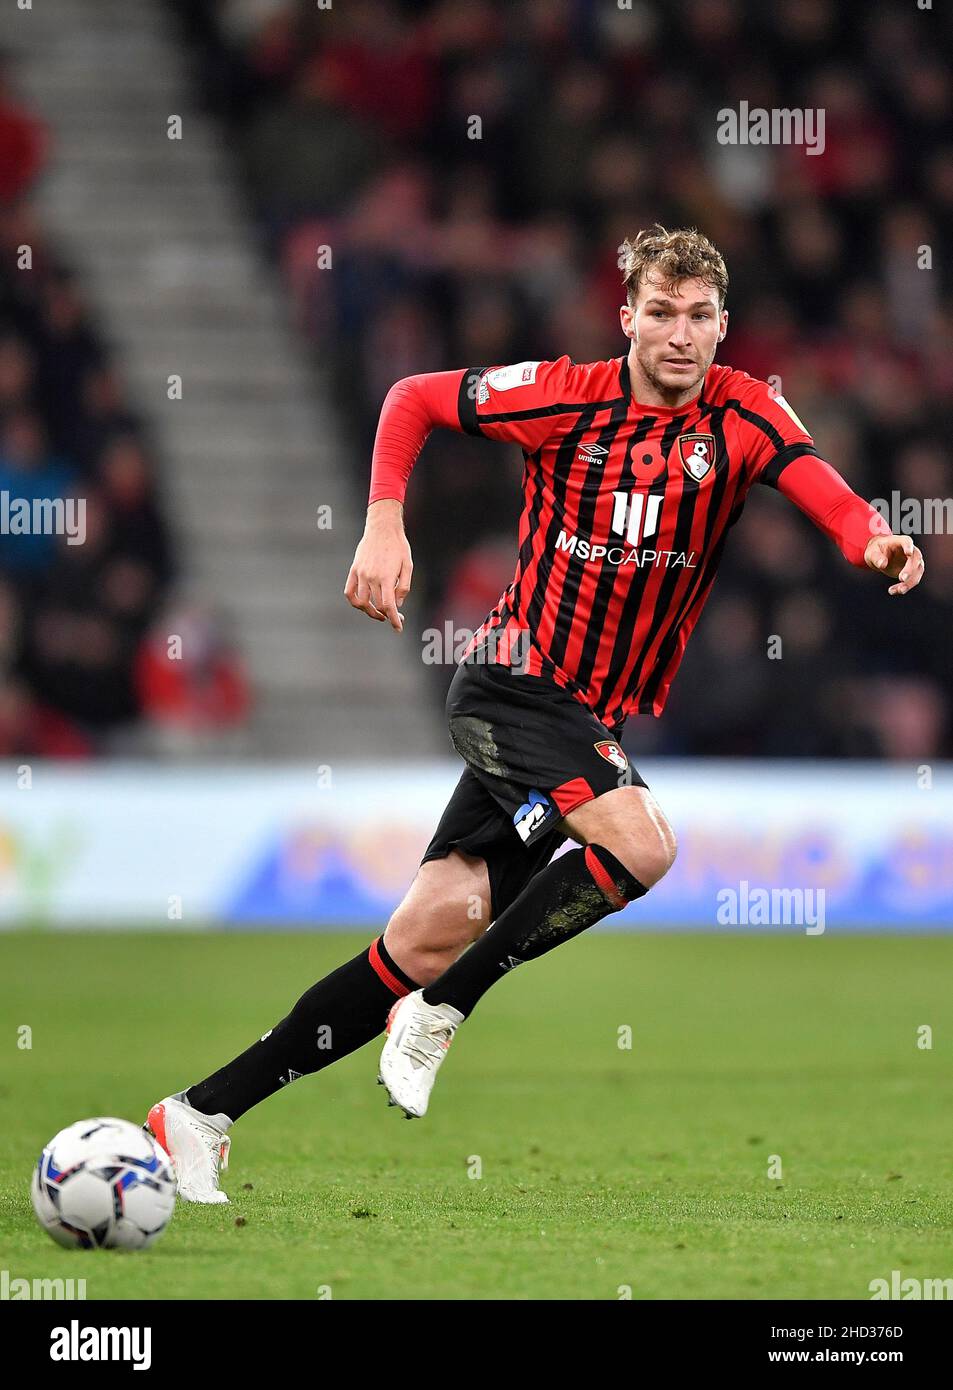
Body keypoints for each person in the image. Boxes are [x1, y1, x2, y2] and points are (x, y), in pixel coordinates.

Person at [146, 225, 924, 1201]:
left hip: (583, 717)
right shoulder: (563, 396)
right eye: (659, 312)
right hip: (512, 685)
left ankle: (201, 1112)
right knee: (641, 844)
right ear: (626, 317)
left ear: (721, 326)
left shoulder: (746, 415)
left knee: (430, 926)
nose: (678, 335)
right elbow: (412, 399)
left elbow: (831, 497)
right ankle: (443, 1010)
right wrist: (384, 520)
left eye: (697, 317)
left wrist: (874, 542)